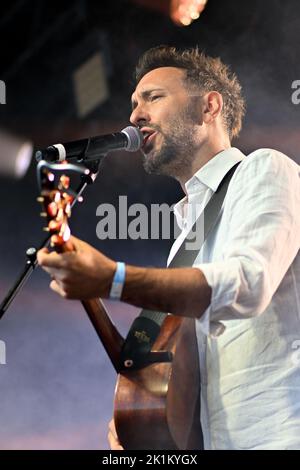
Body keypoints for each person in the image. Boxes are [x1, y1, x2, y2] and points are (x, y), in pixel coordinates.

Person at [37, 46, 300, 450]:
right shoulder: (184, 240)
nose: (135, 115)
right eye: (133, 103)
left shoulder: (263, 169)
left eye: (153, 97)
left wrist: (114, 278)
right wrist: (142, 426)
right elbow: (188, 375)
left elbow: (248, 283)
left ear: (209, 107)